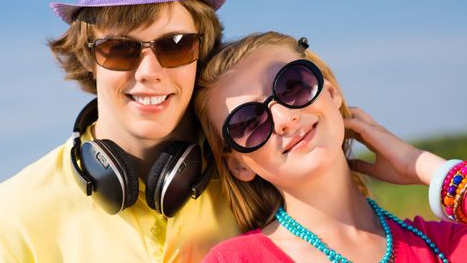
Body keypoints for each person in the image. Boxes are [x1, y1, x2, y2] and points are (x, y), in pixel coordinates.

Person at [0, 0, 240, 262]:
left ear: (202, 50)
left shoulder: (255, 187)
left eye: (176, 45)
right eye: (120, 49)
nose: (149, 72)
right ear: (87, 57)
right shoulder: (9, 219)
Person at [194, 31, 467, 262]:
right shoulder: (234, 260)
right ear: (239, 164)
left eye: (291, 86)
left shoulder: (442, 244)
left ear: (331, 91)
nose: (284, 119)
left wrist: (424, 167)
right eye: (249, 122)